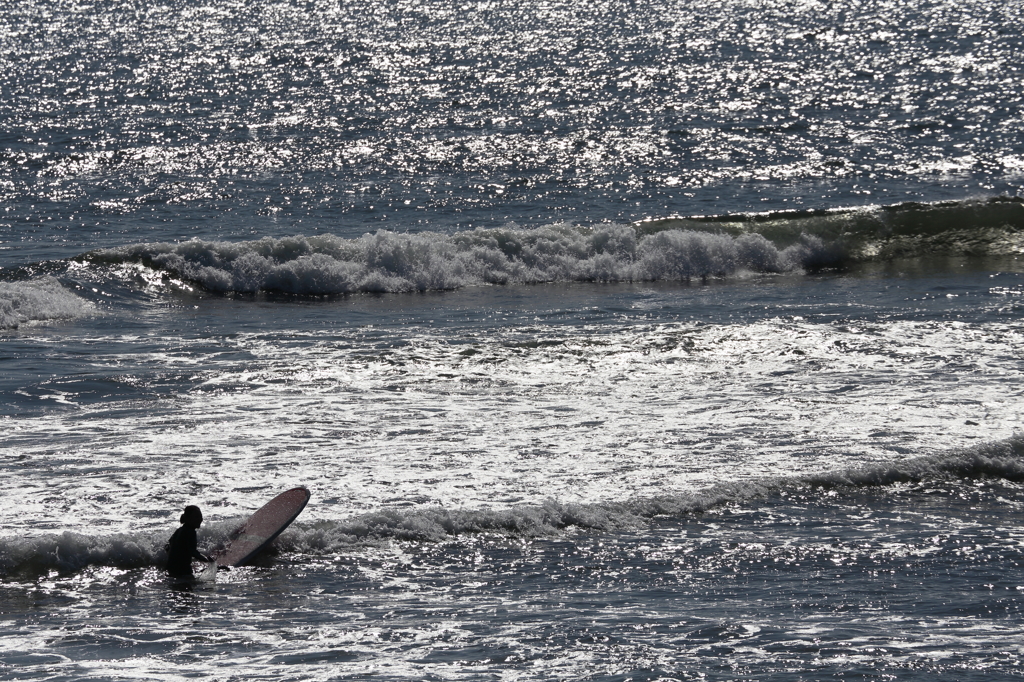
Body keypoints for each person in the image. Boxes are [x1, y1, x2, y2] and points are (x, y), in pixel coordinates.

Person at [166, 505, 213, 578]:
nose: (199, 519)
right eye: (196, 517)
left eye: (200, 516)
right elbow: (193, 552)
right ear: (188, 519)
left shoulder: (179, 530)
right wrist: (207, 560)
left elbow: (167, 546)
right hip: (182, 572)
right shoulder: (190, 532)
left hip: (171, 570)